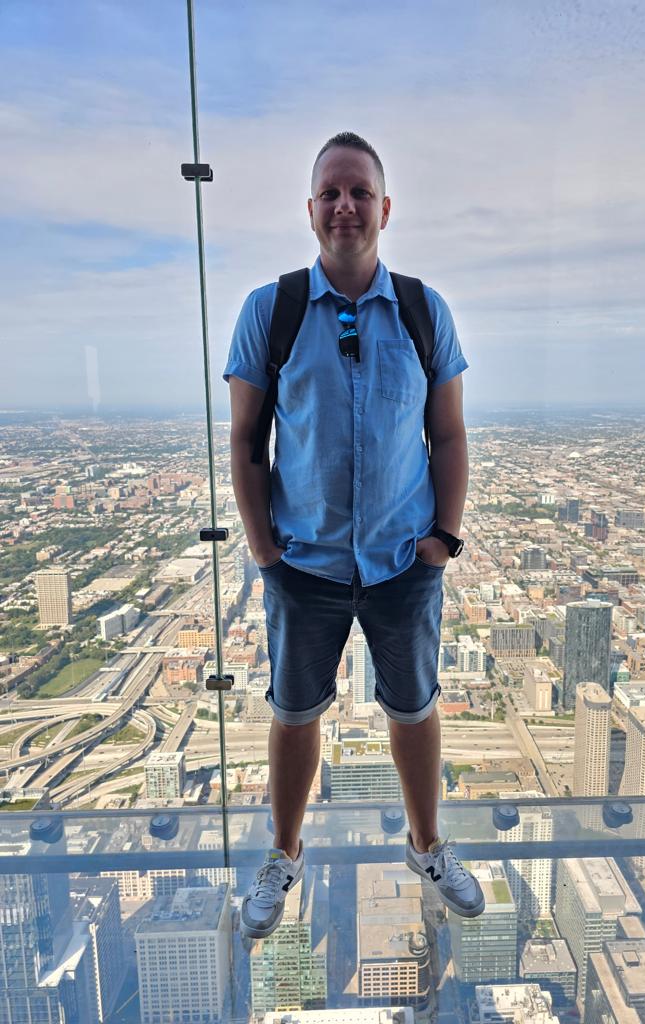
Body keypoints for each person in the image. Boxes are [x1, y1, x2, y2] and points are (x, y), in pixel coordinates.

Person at [224, 131, 484, 941]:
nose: (345, 206)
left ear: (385, 208)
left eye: (359, 192)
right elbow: (245, 439)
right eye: (331, 193)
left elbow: (449, 434)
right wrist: (264, 551)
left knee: (415, 707)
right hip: (304, 564)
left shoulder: (423, 310)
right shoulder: (270, 311)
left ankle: (427, 845)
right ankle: (284, 854)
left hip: (403, 561)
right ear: (310, 211)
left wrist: (443, 538)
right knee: (294, 712)